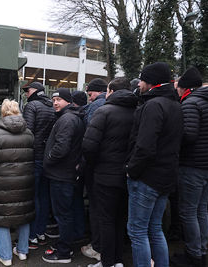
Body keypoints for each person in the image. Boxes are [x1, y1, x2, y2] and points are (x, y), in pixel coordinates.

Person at [126, 62, 183, 267]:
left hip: (146, 178)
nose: (139, 84)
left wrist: (131, 170)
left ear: (150, 82)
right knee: (155, 228)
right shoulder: (175, 104)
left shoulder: (153, 105)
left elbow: (145, 146)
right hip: (165, 177)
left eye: (141, 80)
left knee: (137, 231)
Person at [83, 77, 137, 267]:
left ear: (112, 91)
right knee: (121, 219)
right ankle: (118, 261)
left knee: (105, 220)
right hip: (128, 175)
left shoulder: (103, 111)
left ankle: (107, 262)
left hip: (105, 175)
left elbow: (89, 146)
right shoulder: (138, 112)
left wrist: (93, 165)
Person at [0, 99, 35, 266]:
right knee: (24, 216)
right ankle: (23, 251)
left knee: (2, 217)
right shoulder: (28, 133)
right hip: (25, 181)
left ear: (3, 112)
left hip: (2, 182)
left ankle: (5, 256)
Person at [170, 67, 208, 267]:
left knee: (188, 211)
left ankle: (193, 255)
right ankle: (201, 251)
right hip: (207, 166)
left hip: (192, 165)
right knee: (201, 210)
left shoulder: (191, 103)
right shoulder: (207, 102)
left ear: (185, 88)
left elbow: (189, 134)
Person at [41, 88, 85, 264]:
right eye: (53, 100)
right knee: (67, 212)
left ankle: (64, 252)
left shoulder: (67, 119)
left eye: (59, 99)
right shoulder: (72, 118)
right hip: (67, 173)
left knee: (63, 214)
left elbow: (61, 148)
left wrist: (48, 160)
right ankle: (67, 245)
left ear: (68, 101)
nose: (55, 103)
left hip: (61, 175)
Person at [22, 81, 56, 249]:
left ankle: (31, 236)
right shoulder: (52, 107)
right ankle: (41, 232)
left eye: (27, 91)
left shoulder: (32, 106)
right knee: (44, 197)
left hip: (34, 157)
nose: (26, 94)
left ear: (35, 91)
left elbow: (28, 133)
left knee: (32, 197)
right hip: (47, 159)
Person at [81, 77, 108, 262]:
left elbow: (90, 140)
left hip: (98, 168)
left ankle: (97, 247)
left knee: (97, 209)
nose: (89, 97)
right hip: (115, 168)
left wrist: (85, 164)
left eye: (90, 93)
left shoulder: (96, 107)